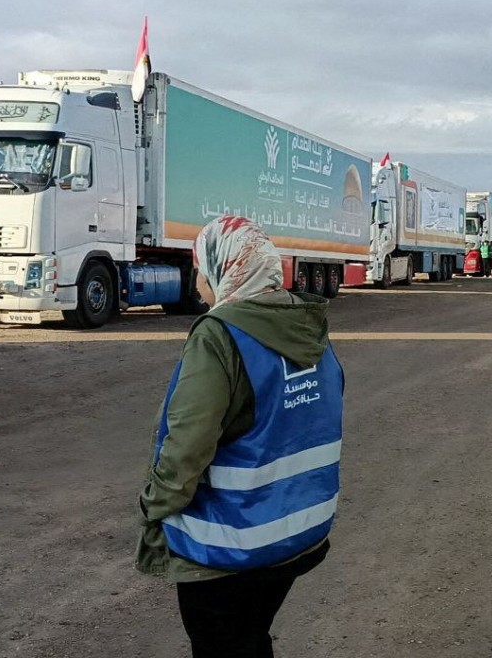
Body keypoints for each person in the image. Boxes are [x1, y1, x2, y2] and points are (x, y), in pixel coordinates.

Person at [136, 215, 343, 658]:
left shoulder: (220, 335)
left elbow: (187, 444)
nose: (197, 287)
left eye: (200, 273)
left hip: (230, 546)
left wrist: (154, 506)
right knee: (248, 639)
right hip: (296, 534)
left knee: (222, 644)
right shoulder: (309, 327)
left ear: (223, 269)